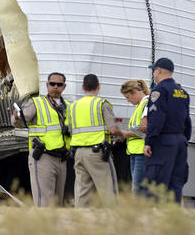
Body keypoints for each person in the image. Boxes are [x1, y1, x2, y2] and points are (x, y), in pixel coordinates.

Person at [11, 72, 70, 207]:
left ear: (64, 87)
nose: (55, 87)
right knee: (44, 203)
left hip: (61, 158)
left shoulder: (67, 107)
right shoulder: (36, 103)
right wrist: (16, 117)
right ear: (47, 85)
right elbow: (18, 122)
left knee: (58, 203)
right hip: (43, 158)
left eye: (59, 84)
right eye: (52, 84)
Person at [69, 74, 124, 207]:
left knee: (82, 193)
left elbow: (71, 131)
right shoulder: (101, 104)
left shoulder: (73, 106)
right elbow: (112, 129)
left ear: (83, 87)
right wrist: (121, 135)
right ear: (98, 87)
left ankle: (80, 223)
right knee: (108, 191)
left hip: (79, 154)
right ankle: (113, 223)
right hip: (97, 154)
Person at [143, 58, 191, 203]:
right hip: (180, 142)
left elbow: (156, 118)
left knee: (156, 182)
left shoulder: (159, 91)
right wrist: (184, 140)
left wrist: (149, 141)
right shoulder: (182, 92)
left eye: (154, 71)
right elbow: (187, 120)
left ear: (158, 70)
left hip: (164, 142)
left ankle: (156, 218)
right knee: (176, 184)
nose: (153, 74)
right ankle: (173, 218)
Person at [120, 79, 150, 196]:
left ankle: (139, 211)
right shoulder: (140, 106)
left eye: (128, 97)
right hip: (135, 151)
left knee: (138, 188)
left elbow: (145, 129)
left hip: (141, 152)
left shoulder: (146, 103)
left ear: (134, 92)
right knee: (137, 186)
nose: (128, 101)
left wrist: (125, 133)